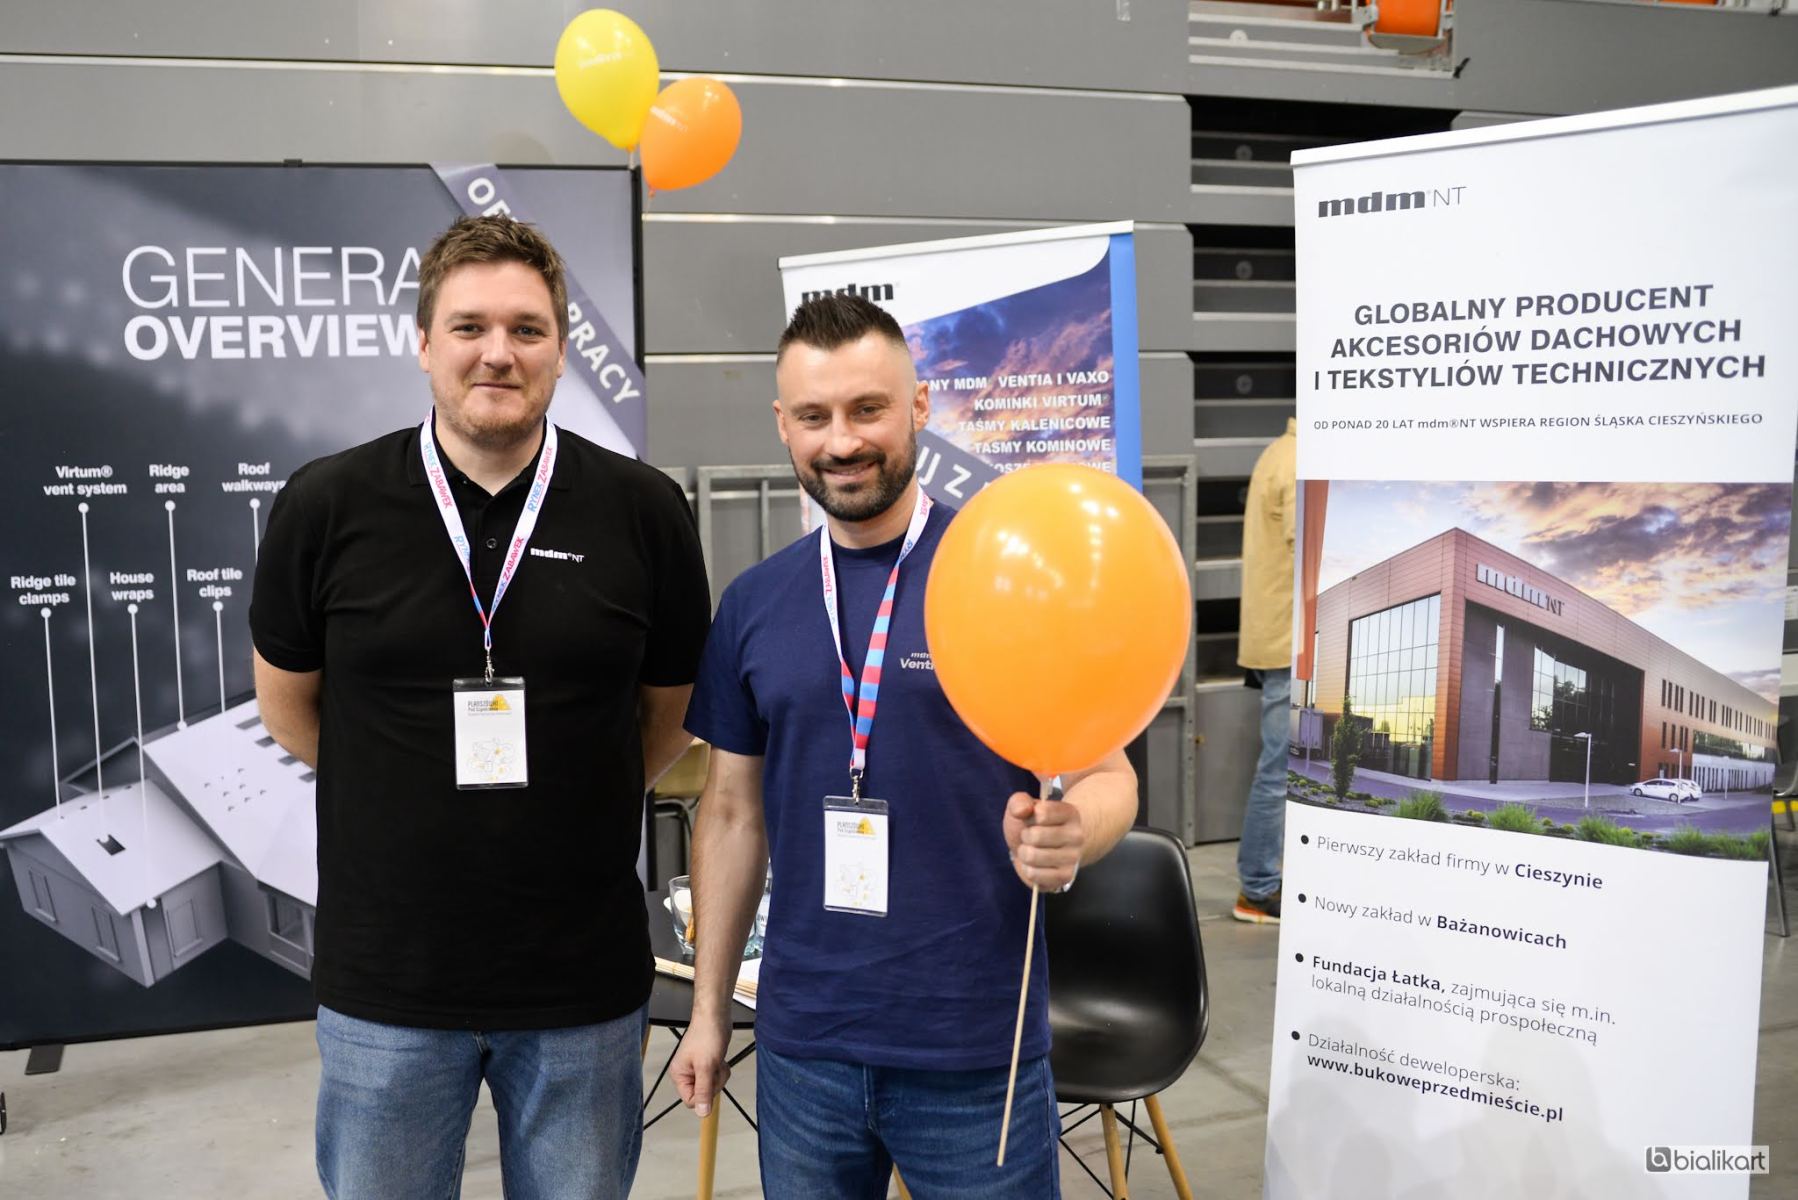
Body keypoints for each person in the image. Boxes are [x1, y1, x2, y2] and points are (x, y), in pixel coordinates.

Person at [248, 215, 710, 1200]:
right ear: (424, 344)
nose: (498, 352)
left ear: (561, 350)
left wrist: (578, 785)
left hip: (581, 982)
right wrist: (398, 781)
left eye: (527, 329)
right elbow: (288, 707)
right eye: (469, 327)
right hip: (389, 982)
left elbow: (668, 715)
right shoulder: (326, 504)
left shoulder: (642, 511)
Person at [670, 294, 1140, 1198]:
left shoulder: (1009, 575)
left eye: (868, 409)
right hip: (804, 1050)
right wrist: (708, 1011)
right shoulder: (755, 604)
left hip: (972, 1049)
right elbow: (730, 816)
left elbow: (1109, 774)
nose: (842, 441)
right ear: (783, 423)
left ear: (920, 405)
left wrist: (1076, 829)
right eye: (814, 416)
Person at [1233, 416, 1297, 924]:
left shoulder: (1278, 451)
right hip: (1289, 641)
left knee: (1281, 766)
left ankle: (1262, 882)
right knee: (1280, 769)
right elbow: (1313, 549)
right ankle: (1257, 888)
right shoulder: (1298, 461)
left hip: (1276, 636)